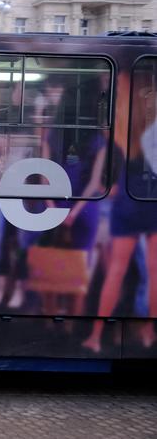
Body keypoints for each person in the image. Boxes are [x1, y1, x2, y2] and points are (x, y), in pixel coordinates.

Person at [83, 72, 157, 353]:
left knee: (116, 271)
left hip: (128, 201)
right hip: (152, 201)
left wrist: (112, 85)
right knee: (153, 272)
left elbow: (107, 130)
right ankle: (148, 331)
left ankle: (95, 335)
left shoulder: (127, 130)